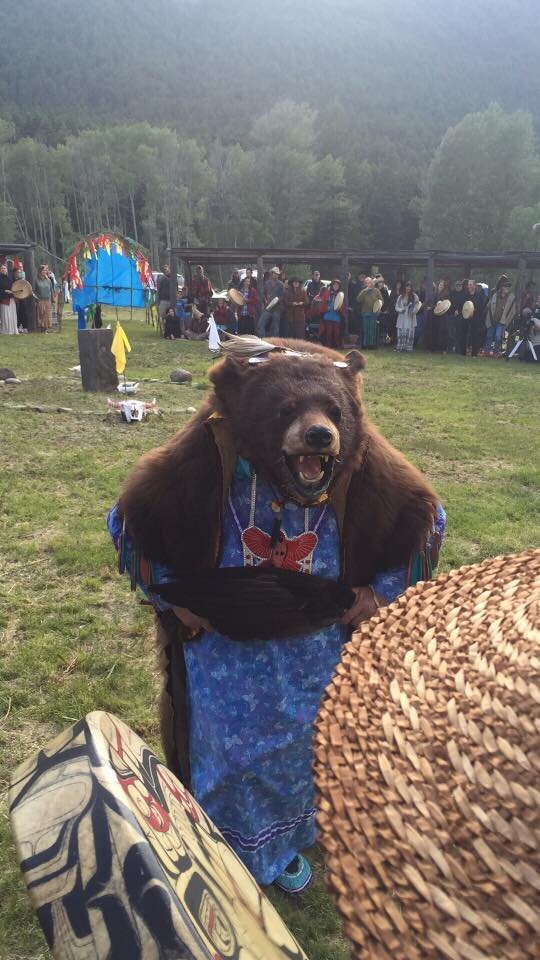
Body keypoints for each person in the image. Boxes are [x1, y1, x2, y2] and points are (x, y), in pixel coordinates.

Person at [481, 276, 517, 356]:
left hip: (502, 321)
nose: (507, 288)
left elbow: (513, 311)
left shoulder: (512, 297)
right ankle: (486, 351)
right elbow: (489, 305)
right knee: (489, 336)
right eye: (506, 286)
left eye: (508, 286)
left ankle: (496, 352)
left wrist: (507, 320)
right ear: (502, 287)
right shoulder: (495, 295)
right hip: (492, 319)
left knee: (498, 337)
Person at [256, 267, 284, 337]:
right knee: (260, 325)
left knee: (275, 328)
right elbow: (263, 293)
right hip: (268, 308)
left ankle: (275, 342)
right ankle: (263, 340)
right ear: (272, 274)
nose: (276, 275)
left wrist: (276, 301)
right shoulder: (267, 283)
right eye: (275, 273)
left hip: (276, 309)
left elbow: (282, 296)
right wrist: (265, 299)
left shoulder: (281, 284)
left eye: (277, 274)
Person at [356, 276, 381, 348]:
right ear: (365, 284)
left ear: (372, 283)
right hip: (365, 313)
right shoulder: (363, 291)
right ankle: (365, 345)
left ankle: (372, 345)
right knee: (366, 330)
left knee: (372, 330)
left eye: (370, 282)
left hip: (374, 313)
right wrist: (365, 291)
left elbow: (381, 301)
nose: (368, 284)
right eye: (367, 283)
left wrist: (378, 308)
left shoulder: (376, 291)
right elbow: (358, 299)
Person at [319, 279, 346, 347]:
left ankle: (337, 345)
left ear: (339, 286)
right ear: (332, 285)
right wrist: (326, 308)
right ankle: (328, 345)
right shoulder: (327, 293)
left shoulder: (341, 295)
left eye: (337, 285)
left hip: (336, 315)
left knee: (337, 332)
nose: (335, 286)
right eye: (334, 285)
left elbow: (343, 305)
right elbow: (323, 303)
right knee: (328, 332)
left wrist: (339, 308)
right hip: (328, 315)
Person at [395, 281, 421, 352]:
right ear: (405, 287)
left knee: (408, 330)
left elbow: (417, 306)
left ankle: (408, 347)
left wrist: (412, 311)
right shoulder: (401, 296)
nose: (408, 288)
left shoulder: (415, 296)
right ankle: (400, 346)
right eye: (407, 286)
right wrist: (401, 310)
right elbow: (396, 307)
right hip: (402, 316)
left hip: (410, 317)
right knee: (401, 330)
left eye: (410, 287)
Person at [34, 263, 54, 333]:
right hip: (40, 300)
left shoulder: (48, 280)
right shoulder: (36, 280)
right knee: (41, 315)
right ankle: (41, 328)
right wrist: (36, 299)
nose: (44, 271)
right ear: (40, 271)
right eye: (43, 270)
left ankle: (46, 329)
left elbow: (51, 290)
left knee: (47, 315)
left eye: (45, 270)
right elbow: (34, 291)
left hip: (47, 300)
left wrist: (53, 300)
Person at [0, 263, 18, 335]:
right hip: (4, 299)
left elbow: (13, 287)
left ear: (7, 270)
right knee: (5, 315)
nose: (3, 269)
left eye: (4, 268)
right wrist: (5, 291)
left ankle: (13, 329)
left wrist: (12, 292)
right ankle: (6, 330)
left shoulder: (9, 278)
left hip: (11, 299)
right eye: (2, 268)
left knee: (12, 315)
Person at [157, 265, 171, 332]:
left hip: (171, 300)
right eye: (164, 270)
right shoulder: (161, 279)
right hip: (163, 300)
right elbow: (159, 289)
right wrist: (158, 300)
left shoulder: (173, 278)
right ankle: (163, 330)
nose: (165, 271)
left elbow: (176, 288)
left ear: (169, 270)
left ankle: (169, 330)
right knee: (162, 316)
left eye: (166, 269)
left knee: (170, 316)